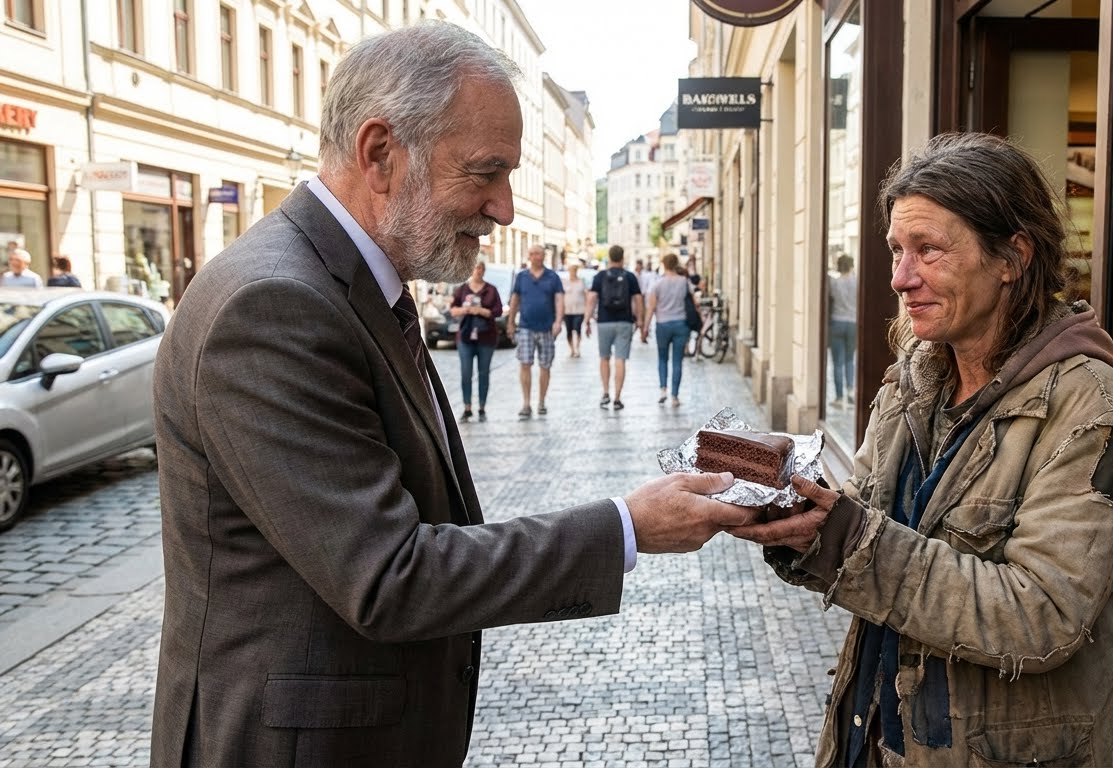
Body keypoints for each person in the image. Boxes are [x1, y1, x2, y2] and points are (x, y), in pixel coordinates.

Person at [150, 23, 752, 768]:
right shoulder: (275, 303)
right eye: (485, 172)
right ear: (379, 154)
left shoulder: (348, 283)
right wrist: (626, 526)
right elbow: (388, 575)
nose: (503, 207)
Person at [728, 132, 1113, 767]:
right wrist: (796, 513)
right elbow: (868, 518)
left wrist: (849, 539)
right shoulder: (914, 380)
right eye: (897, 250)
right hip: (876, 738)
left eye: (928, 250)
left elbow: (1044, 615)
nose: (901, 278)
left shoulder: (1091, 410)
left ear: (1011, 256)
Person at [506, 244, 563, 419]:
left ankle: (541, 401)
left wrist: (558, 321)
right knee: (525, 364)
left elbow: (559, 300)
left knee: (545, 365)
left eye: (537, 253)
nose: (534, 256)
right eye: (531, 254)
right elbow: (515, 300)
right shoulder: (522, 277)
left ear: (543, 256)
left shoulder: (553, 277)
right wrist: (510, 322)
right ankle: (526, 403)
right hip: (526, 327)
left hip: (546, 328)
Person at [586, 244, 642, 411]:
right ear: (622, 258)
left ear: (609, 258)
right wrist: (640, 320)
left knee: (604, 358)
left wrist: (586, 320)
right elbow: (638, 300)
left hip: (604, 322)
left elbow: (591, 299)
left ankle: (605, 393)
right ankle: (617, 397)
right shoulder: (630, 277)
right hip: (625, 322)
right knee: (620, 360)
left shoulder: (600, 276)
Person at [451, 260, 502, 422]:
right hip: (465, 336)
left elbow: (498, 311)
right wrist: (466, 309)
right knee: (466, 373)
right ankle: (467, 407)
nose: (477, 271)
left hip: (486, 336)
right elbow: (453, 310)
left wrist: (481, 311)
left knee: (483, 372)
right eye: (474, 267)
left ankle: (481, 407)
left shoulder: (491, 290)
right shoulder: (462, 289)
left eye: (480, 268)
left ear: (484, 270)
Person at [642, 253, 691, 407]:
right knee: (677, 361)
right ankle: (675, 396)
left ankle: (663, 390)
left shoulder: (657, 284)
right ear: (676, 264)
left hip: (662, 324)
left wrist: (645, 328)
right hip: (680, 324)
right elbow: (693, 301)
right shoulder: (684, 282)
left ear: (663, 264)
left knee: (662, 358)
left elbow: (651, 308)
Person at [827, 253, 857, 407]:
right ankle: (851, 391)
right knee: (850, 359)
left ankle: (839, 397)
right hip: (852, 323)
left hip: (837, 322)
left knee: (837, 362)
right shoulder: (856, 282)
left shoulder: (834, 283)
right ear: (851, 265)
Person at [562, 261, 587, 358]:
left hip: (579, 310)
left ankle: (577, 348)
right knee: (569, 331)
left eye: (574, 270)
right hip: (567, 310)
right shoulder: (565, 282)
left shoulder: (581, 281)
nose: (573, 272)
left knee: (577, 328)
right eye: (571, 270)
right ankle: (572, 349)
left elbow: (586, 294)